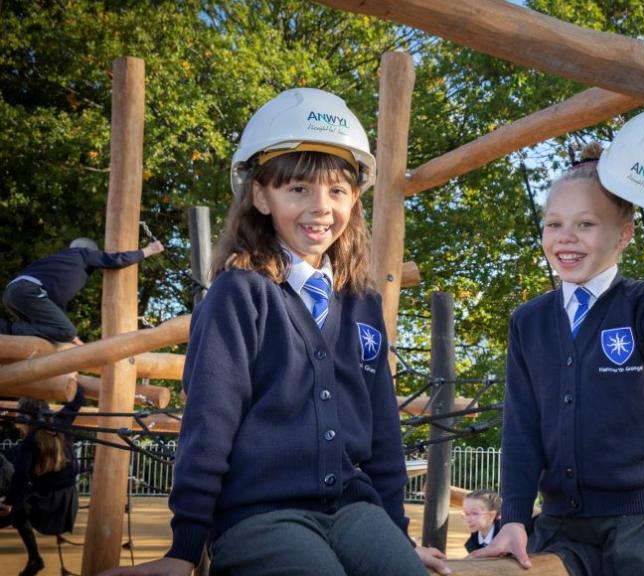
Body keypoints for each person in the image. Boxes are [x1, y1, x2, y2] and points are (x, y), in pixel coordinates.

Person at [99, 88, 447, 576]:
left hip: (354, 510)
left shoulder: (362, 301)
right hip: (261, 514)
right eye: (298, 189)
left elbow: (384, 431)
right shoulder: (239, 295)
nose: (321, 207)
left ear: (355, 198)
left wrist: (398, 536)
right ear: (261, 195)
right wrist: (185, 549)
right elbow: (209, 423)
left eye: (337, 191)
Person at [476, 107, 644, 575]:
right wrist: (512, 517)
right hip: (562, 524)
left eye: (585, 224)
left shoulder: (640, 302)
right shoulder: (528, 321)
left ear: (624, 234)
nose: (565, 238)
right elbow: (522, 427)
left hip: (641, 524)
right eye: (554, 224)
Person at [1, 237, 164, 344]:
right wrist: (149, 250)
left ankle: (10, 332)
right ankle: (5, 328)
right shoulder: (84, 254)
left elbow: (54, 310)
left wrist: (74, 339)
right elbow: (116, 260)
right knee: (64, 331)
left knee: (53, 333)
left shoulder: (58, 262)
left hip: (13, 292)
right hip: (29, 291)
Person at [0, 384, 86, 576]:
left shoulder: (30, 441)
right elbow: (77, 400)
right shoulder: (61, 422)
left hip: (49, 506)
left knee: (12, 511)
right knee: (18, 507)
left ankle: (35, 559)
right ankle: (35, 560)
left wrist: (9, 503)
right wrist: (75, 379)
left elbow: (21, 476)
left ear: (25, 417)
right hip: (68, 501)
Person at [462, 489, 502, 553]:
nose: (468, 519)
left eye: (474, 513)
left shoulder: (504, 538)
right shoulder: (474, 538)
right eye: (466, 513)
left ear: (492, 515)